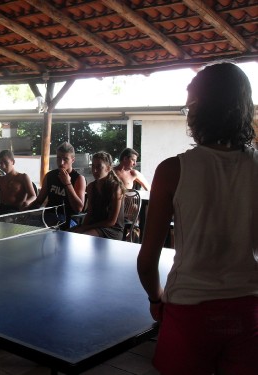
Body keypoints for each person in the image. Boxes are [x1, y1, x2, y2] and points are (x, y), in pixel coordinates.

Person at [137, 62, 258, 375]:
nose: (187, 113)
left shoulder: (172, 171)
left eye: (189, 104)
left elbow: (147, 261)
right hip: (250, 311)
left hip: (189, 311)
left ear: (202, 109)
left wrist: (155, 298)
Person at [26, 142, 86, 229]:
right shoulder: (50, 176)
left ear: (72, 160)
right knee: (26, 226)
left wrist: (67, 183)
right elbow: (39, 201)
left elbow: (78, 208)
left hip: (69, 219)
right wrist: (24, 212)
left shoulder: (78, 178)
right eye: (58, 158)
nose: (61, 163)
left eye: (65, 159)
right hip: (48, 216)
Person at [71, 151, 125, 239]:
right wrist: (82, 226)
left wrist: (85, 228)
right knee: (67, 234)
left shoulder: (115, 188)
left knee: (82, 237)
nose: (94, 170)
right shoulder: (91, 187)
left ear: (108, 168)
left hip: (112, 229)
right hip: (95, 226)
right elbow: (90, 212)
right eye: (93, 166)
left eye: (99, 167)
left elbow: (111, 221)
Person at [0, 150, 36, 218]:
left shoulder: (23, 177)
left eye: (5, 162)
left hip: (15, 210)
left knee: (2, 220)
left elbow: (33, 196)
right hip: (0, 208)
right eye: (1, 163)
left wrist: (27, 202)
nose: (3, 166)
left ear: (13, 162)